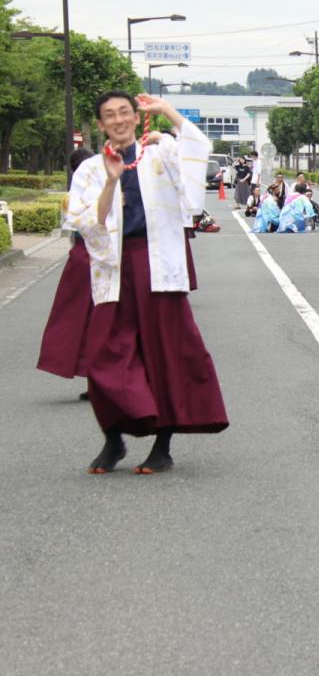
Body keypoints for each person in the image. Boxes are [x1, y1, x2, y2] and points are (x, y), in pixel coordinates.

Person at [67, 91, 228, 474]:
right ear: (101, 124)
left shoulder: (159, 152)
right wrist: (111, 183)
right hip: (113, 266)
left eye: (125, 112)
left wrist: (166, 113)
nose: (119, 119)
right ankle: (113, 439)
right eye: (110, 115)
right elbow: (86, 223)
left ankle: (162, 444)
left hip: (157, 264)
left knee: (166, 353)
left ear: (134, 117)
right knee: (104, 355)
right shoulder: (90, 169)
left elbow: (196, 155)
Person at [37, 145, 96, 398]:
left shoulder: (72, 194)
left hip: (81, 257)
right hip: (105, 256)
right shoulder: (106, 186)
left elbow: (72, 233)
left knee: (76, 319)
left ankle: (93, 378)